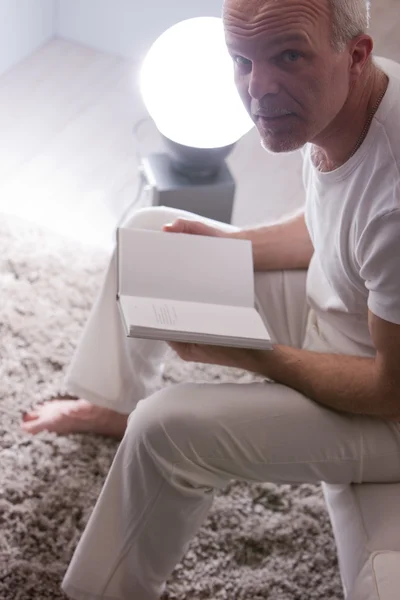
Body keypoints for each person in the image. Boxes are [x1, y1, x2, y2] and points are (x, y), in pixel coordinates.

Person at [27, 0, 400, 597]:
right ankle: (110, 402)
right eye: (241, 60)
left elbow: (390, 389)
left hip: (386, 412)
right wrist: (231, 243)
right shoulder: (350, 96)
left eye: (287, 56)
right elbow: (331, 224)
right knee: (152, 236)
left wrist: (252, 355)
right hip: (339, 313)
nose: (259, 89)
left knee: (164, 429)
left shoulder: (396, 201)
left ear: (353, 56)